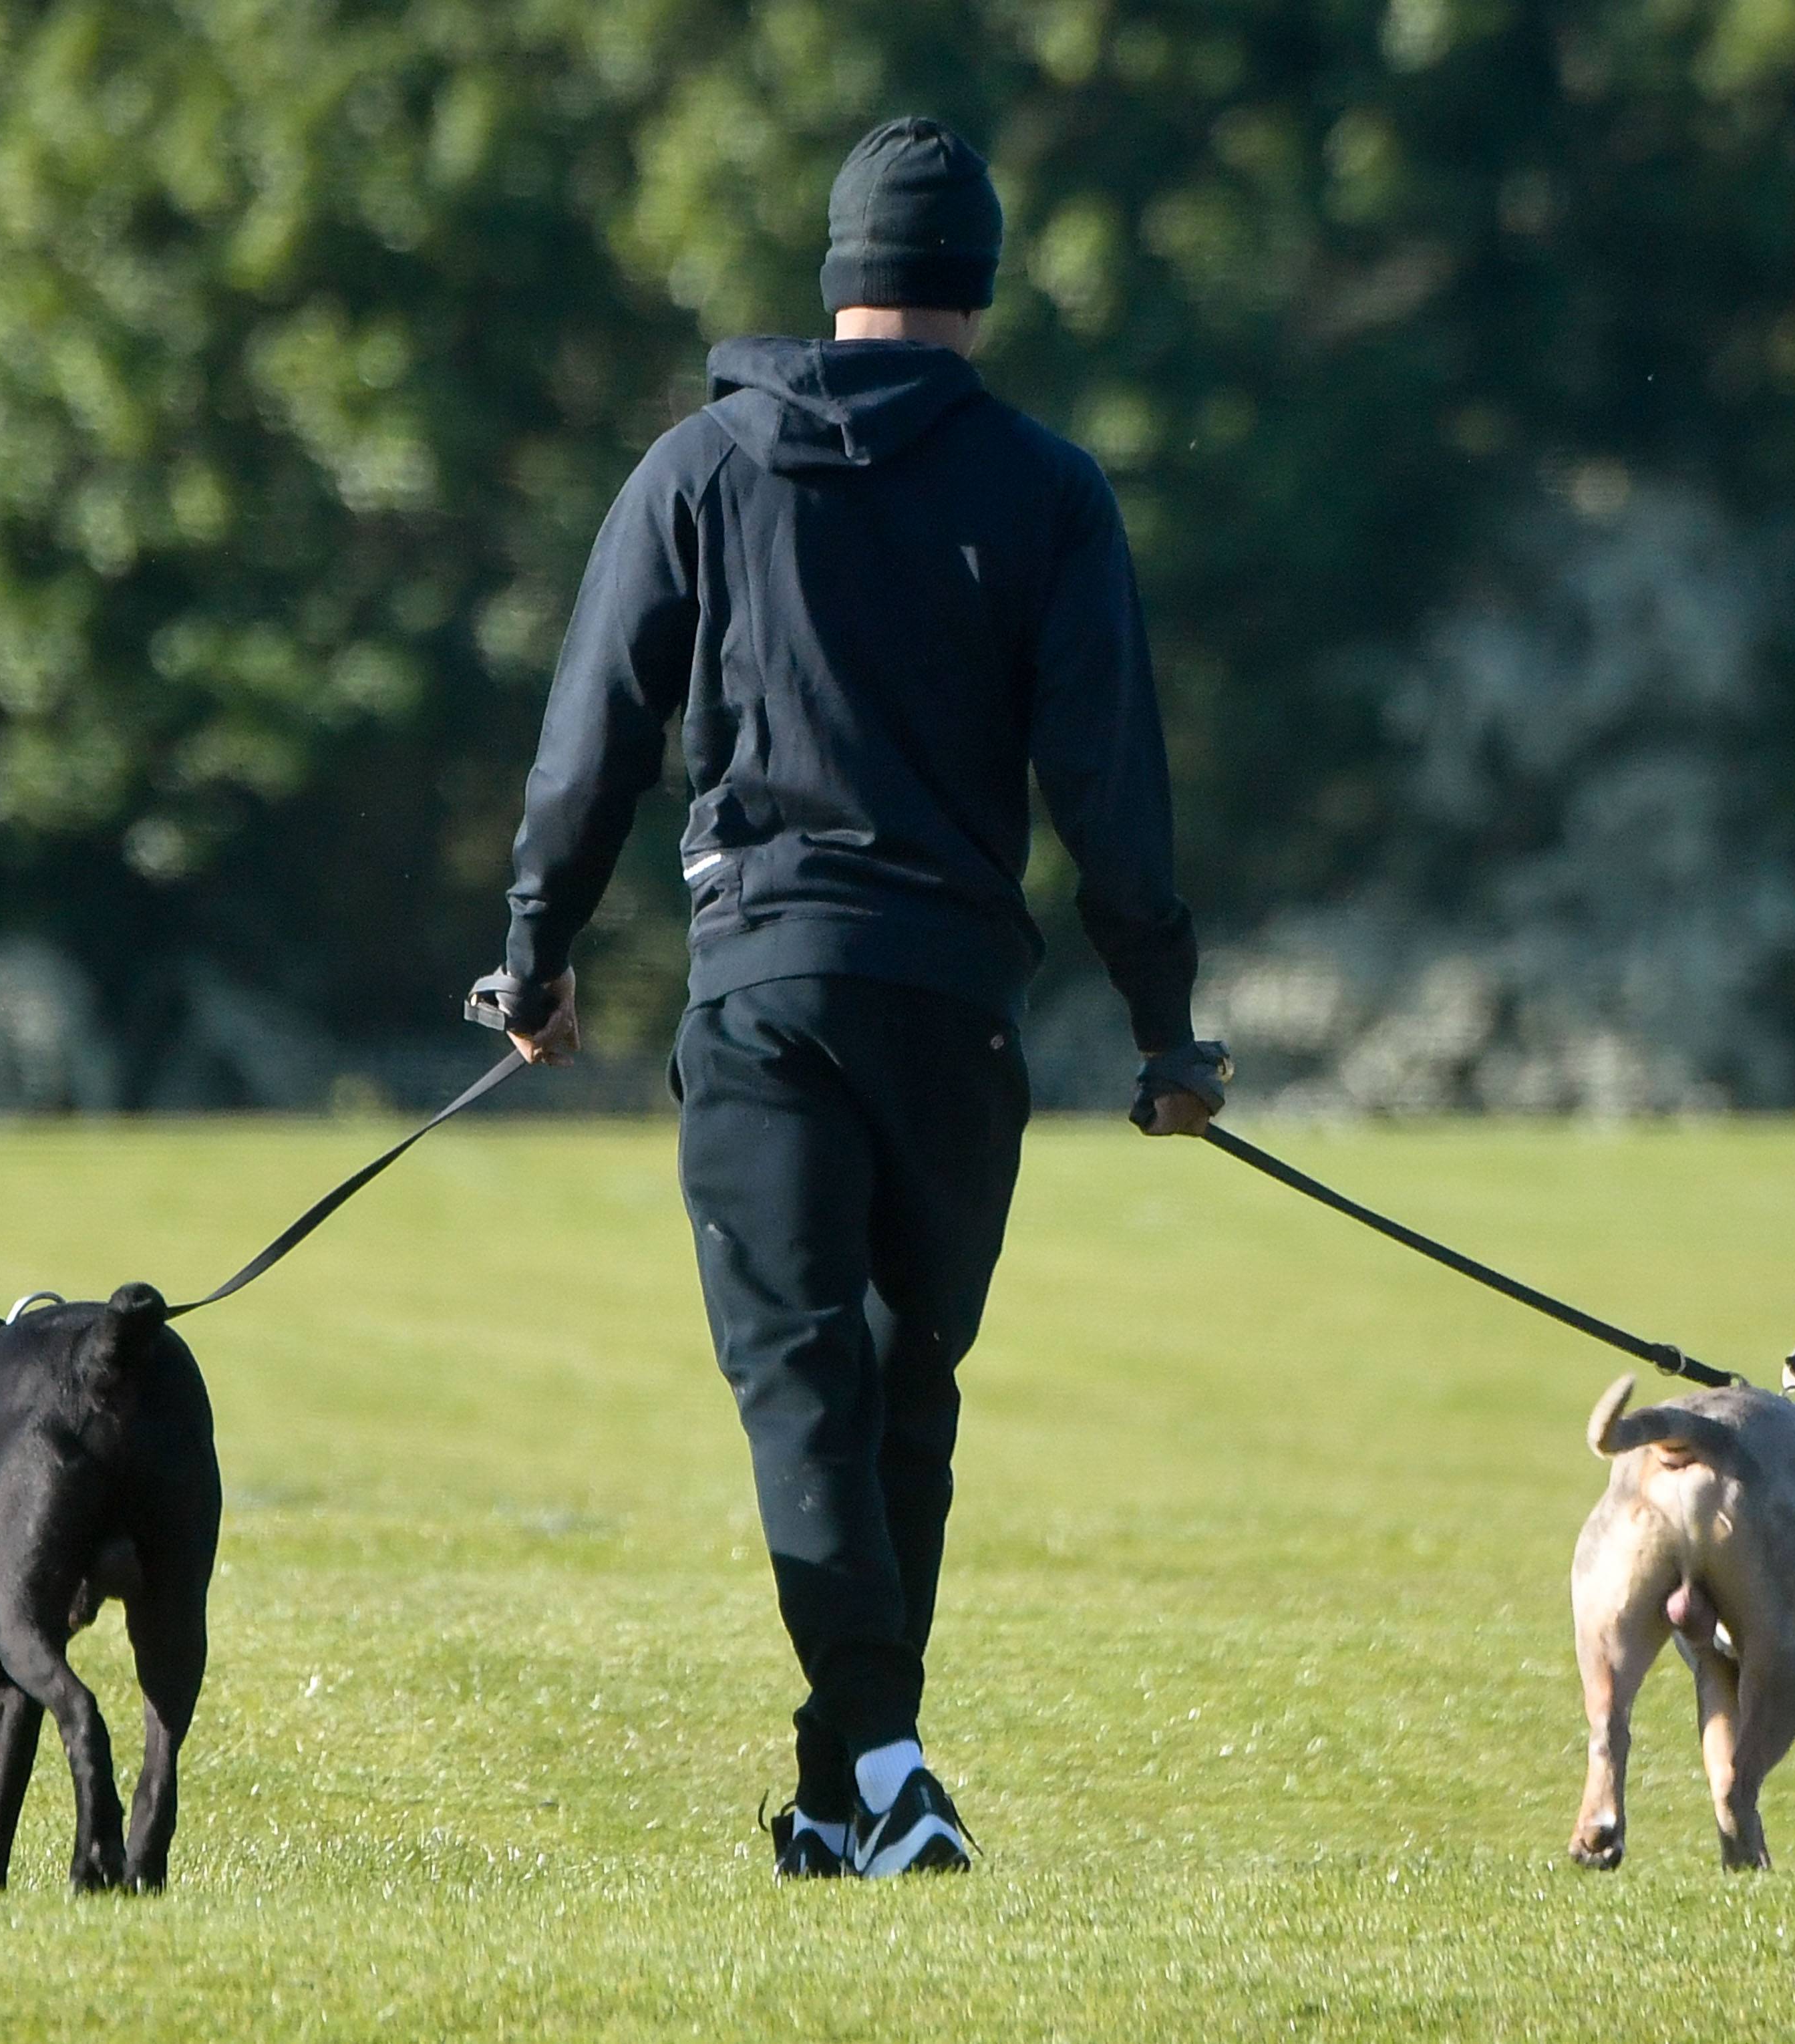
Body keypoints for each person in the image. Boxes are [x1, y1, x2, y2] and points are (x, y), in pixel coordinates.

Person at [474, 115, 1230, 1880]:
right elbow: (1110, 788)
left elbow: (593, 737)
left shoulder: (695, 470)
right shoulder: (1047, 490)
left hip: (762, 991)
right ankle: (861, 1783)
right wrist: (1163, 1026)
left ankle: (867, 1772)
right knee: (900, 1387)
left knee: (806, 1380)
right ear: (975, 287)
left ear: (836, 280)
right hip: (954, 1006)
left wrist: (536, 947)